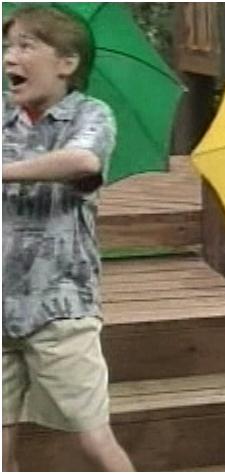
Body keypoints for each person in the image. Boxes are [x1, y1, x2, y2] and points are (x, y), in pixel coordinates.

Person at [2, 6, 134, 471]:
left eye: (25, 46)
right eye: (7, 47)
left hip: (61, 306)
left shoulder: (90, 114)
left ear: (66, 63)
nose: (9, 58)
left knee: (94, 440)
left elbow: (83, 163)